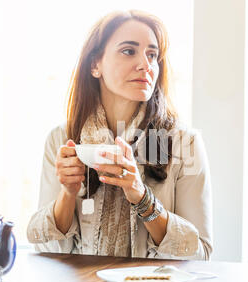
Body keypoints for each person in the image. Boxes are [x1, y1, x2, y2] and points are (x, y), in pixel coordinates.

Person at [26, 10, 213, 260]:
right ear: (95, 65)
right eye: (129, 51)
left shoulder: (182, 143)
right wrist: (68, 193)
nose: (145, 65)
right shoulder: (62, 140)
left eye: (152, 55)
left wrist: (141, 196)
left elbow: (200, 254)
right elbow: (45, 249)